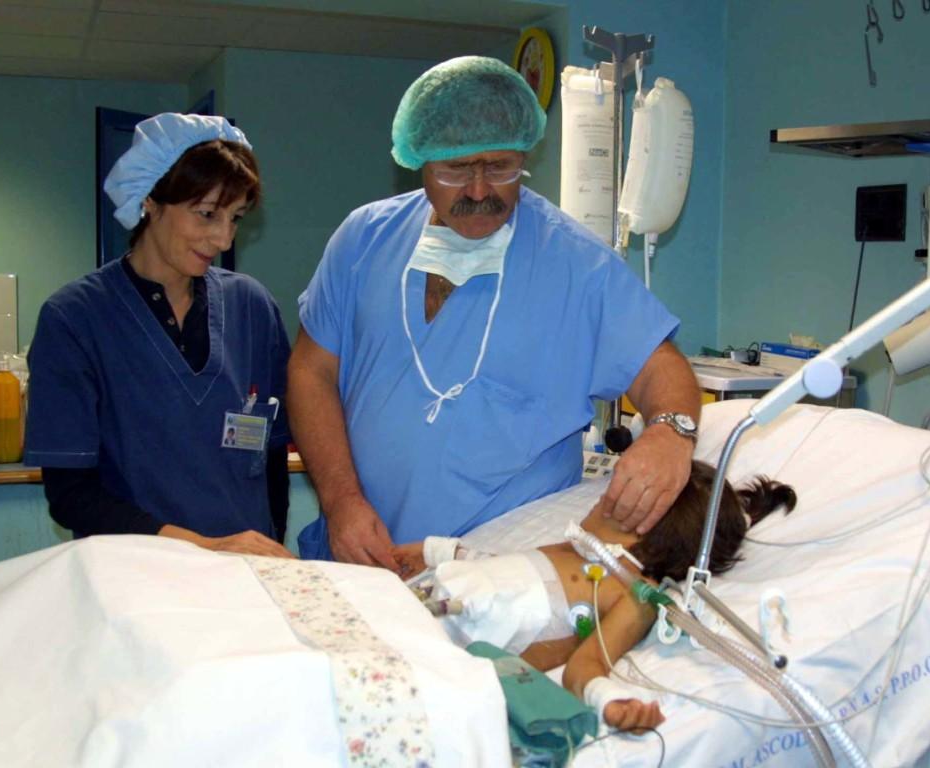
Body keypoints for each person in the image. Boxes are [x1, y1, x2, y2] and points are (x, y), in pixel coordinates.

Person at [289, 56, 701, 569]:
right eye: (456, 170)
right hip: (360, 555)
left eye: (501, 167)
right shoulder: (364, 241)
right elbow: (311, 372)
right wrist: (341, 501)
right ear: (420, 160)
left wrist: (670, 433)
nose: (480, 190)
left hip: (496, 573)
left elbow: (661, 366)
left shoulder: (575, 264)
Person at [25, 113, 293, 558]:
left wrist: (266, 547)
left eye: (236, 218)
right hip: (132, 574)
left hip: (241, 571)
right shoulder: (76, 319)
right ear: (150, 199)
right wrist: (202, 547)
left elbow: (274, 455)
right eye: (207, 214)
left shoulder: (251, 307)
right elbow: (71, 494)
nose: (223, 239)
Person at [392, 461, 798, 731]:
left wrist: (610, 702)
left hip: (437, 657)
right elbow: (501, 572)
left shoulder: (633, 595)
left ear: (643, 527)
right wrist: (433, 552)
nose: (602, 499)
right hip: (407, 607)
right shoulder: (574, 550)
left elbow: (585, 667)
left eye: (613, 500)